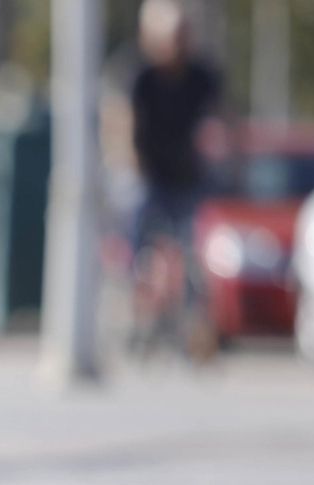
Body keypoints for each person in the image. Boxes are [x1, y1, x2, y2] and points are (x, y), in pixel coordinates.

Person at [129, 0, 222, 351]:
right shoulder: (142, 77)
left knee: (197, 250)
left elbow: (220, 120)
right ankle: (138, 302)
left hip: (190, 177)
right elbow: (127, 126)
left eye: (185, 35)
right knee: (138, 230)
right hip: (150, 175)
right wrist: (133, 164)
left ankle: (198, 326)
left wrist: (224, 150)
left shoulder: (202, 76)